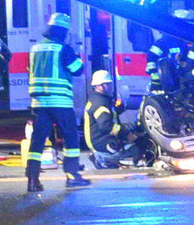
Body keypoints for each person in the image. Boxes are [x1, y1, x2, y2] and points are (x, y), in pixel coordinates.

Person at [25, 13, 89, 192]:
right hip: (59, 101)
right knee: (70, 137)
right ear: (63, 31)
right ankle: (72, 175)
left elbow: (30, 70)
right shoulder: (63, 48)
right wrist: (78, 57)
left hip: (38, 102)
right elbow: (77, 70)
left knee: (37, 141)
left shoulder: (35, 48)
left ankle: (32, 179)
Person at [83, 70, 126, 169]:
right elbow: (106, 126)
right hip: (101, 141)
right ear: (99, 86)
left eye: (110, 84)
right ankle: (102, 157)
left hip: (99, 139)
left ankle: (105, 157)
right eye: (107, 84)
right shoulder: (100, 102)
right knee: (132, 149)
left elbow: (108, 115)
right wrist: (126, 133)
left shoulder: (100, 99)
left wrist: (118, 109)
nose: (110, 86)